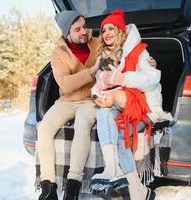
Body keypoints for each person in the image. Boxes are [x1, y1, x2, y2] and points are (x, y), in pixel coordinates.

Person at [36, 10, 157, 200]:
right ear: (67, 33)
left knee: (82, 124)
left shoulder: (97, 42)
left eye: (85, 26)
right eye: (78, 29)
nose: (84, 32)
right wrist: (92, 72)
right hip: (67, 100)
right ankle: (48, 186)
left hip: (91, 100)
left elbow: (123, 49)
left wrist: (148, 63)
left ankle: (73, 186)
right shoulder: (58, 53)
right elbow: (65, 84)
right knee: (43, 128)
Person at [90, 10, 167, 200]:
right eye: (104, 29)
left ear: (121, 31)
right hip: (118, 105)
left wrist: (123, 77)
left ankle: (115, 169)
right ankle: (136, 189)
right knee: (110, 122)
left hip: (142, 105)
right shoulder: (104, 57)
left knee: (108, 110)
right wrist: (96, 94)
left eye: (111, 28)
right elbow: (101, 84)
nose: (107, 32)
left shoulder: (139, 51)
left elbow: (152, 78)